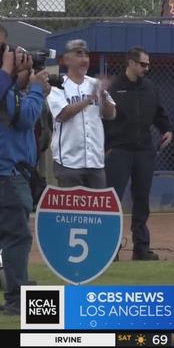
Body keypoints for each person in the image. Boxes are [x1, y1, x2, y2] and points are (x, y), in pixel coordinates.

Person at [105, 47, 173, 261]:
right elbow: (103, 119)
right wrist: (107, 146)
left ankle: (141, 248)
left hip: (144, 150)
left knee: (142, 199)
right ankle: (110, 248)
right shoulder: (114, 87)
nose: (146, 68)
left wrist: (167, 129)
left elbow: (159, 113)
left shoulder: (150, 87)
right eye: (143, 64)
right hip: (119, 151)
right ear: (131, 63)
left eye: (148, 65)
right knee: (112, 199)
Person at [0, 47, 48, 315]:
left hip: (13, 173)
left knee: (9, 236)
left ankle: (16, 289)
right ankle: (17, 298)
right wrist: (36, 89)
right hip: (9, 175)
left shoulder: (7, 89)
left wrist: (25, 84)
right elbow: (24, 117)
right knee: (17, 237)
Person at [47, 39, 116, 188]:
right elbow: (63, 114)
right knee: (71, 210)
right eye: (79, 54)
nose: (84, 59)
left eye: (86, 55)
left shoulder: (95, 84)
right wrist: (89, 99)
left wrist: (103, 95)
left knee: (96, 210)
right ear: (66, 59)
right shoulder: (58, 85)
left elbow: (111, 114)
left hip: (95, 161)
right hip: (68, 162)